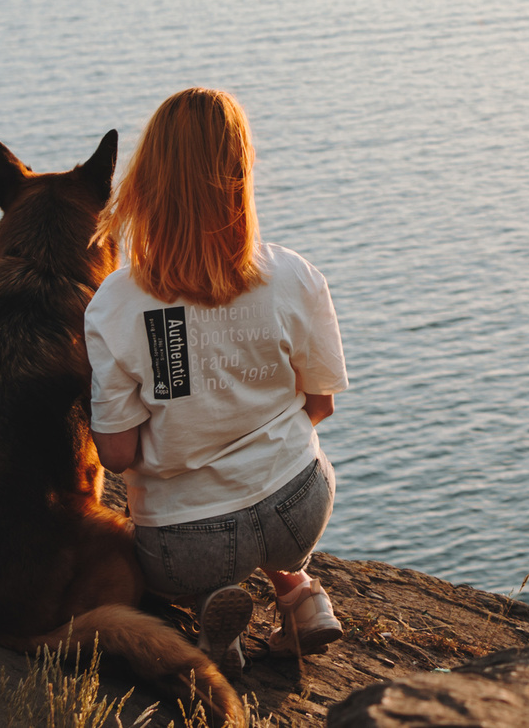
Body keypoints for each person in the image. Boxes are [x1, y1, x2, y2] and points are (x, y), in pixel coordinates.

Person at [84, 86, 349, 668]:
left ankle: (213, 619)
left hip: (189, 540)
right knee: (265, 504)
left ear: (147, 180)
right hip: (300, 507)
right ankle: (301, 593)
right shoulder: (293, 275)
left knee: (159, 573)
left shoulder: (119, 303)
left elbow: (118, 454)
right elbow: (321, 404)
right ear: (243, 170)